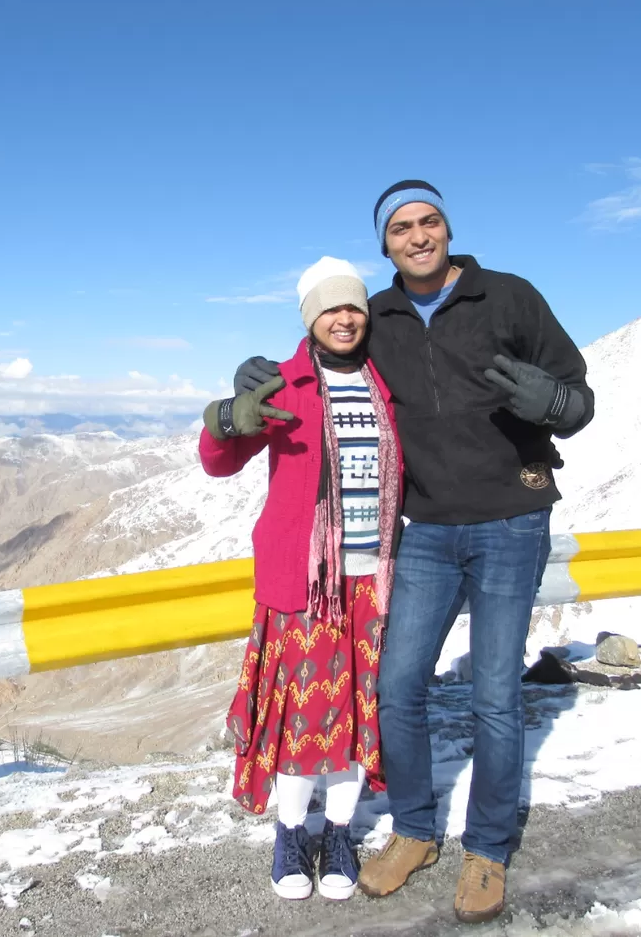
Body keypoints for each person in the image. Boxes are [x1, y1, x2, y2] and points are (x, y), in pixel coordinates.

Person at [232, 180, 593, 923]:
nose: (418, 235)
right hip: (423, 531)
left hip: (511, 519)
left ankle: (488, 848)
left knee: (495, 693)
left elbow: (579, 394)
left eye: (430, 221)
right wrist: (252, 380)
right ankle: (416, 831)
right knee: (397, 687)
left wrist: (555, 405)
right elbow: (321, 359)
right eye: (401, 227)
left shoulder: (509, 297)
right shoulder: (381, 317)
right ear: (385, 244)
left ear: (448, 228)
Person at [199, 256, 405, 902]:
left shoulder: (386, 382)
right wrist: (230, 413)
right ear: (310, 318)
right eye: (329, 308)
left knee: (354, 720)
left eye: (353, 307)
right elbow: (218, 462)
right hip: (306, 581)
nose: (343, 318)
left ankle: (339, 832)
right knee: (301, 720)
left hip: (376, 579)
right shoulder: (284, 384)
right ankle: (291, 833)